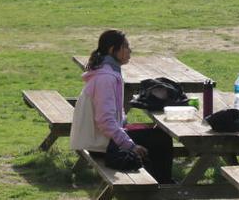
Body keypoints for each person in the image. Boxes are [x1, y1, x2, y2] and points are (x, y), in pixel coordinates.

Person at [69, 29, 174, 183]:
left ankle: (158, 181)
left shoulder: (107, 71)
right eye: (125, 46)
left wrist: (124, 125)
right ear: (113, 50)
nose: (130, 50)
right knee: (161, 139)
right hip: (100, 144)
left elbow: (116, 113)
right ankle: (162, 186)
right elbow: (105, 120)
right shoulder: (106, 78)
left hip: (99, 138)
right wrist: (130, 145)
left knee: (156, 134)